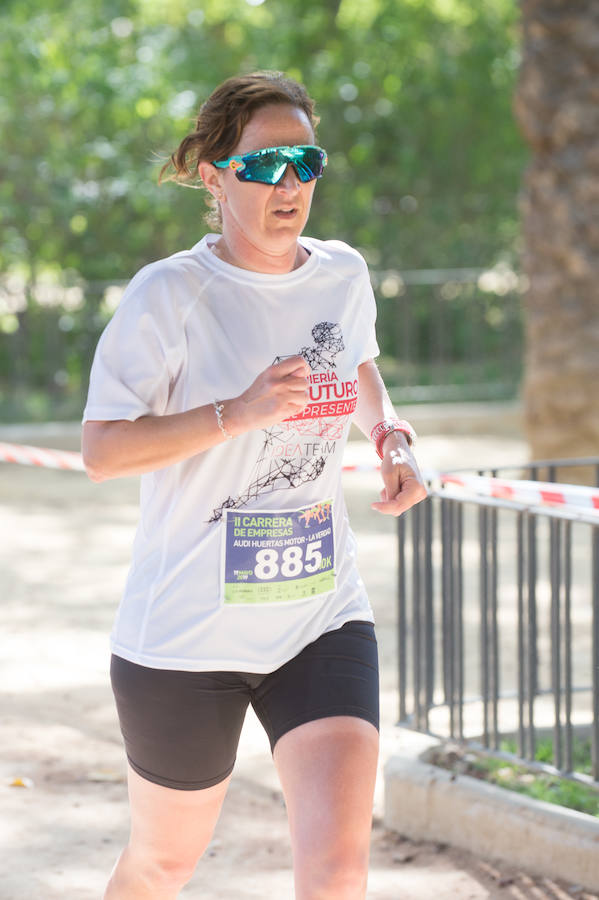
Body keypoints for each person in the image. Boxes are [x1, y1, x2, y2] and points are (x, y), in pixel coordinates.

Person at [82, 70, 427, 900]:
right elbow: (101, 451)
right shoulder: (170, 294)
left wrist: (390, 435)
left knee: (338, 871)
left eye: (305, 162)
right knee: (162, 864)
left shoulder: (342, 273)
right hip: (185, 641)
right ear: (215, 177)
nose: (291, 184)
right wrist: (233, 415)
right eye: (266, 165)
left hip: (318, 618)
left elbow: (361, 365)